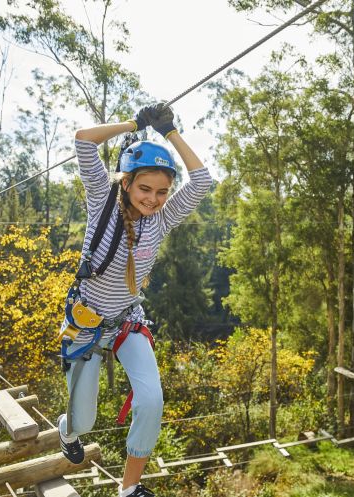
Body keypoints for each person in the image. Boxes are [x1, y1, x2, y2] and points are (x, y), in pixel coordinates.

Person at [57, 103, 213, 497]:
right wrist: (135, 125)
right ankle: (67, 429)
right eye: (145, 188)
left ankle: (129, 488)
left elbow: (201, 181)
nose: (154, 199)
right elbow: (84, 141)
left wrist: (170, 132)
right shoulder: (102, 200)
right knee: (84, 421)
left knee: (152, 399)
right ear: (125, 182)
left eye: (162, 191)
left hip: (128, 320)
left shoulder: (160, 218)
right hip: (87, 323)